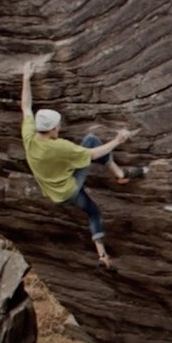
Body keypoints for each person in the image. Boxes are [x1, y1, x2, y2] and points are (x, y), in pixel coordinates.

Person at [20, 60, 142, 269]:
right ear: (50, 130)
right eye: (57, 125)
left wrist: (26, 78)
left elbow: (26, 107)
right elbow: (94, 154)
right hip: (70, 188)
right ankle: (120, 174)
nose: (60, 127)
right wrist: (118, 140)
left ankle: (102, 255)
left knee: (93, 211)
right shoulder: (59, 147)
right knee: (92, 140)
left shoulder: (29, 136)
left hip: (56, 195)